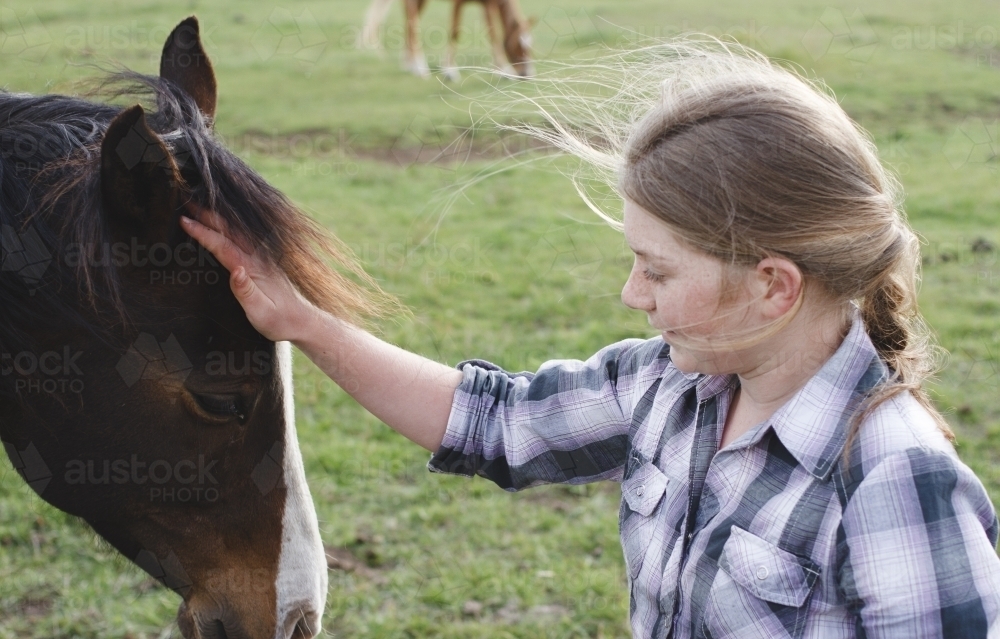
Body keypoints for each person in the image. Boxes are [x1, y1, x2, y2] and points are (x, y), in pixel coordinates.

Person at [180, 41, 1000, 638]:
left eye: (657, 270)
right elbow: (494, 423)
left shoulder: (894, 478)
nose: (630, 294)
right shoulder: (668, 387)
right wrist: (303, 321)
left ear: (773, 285)